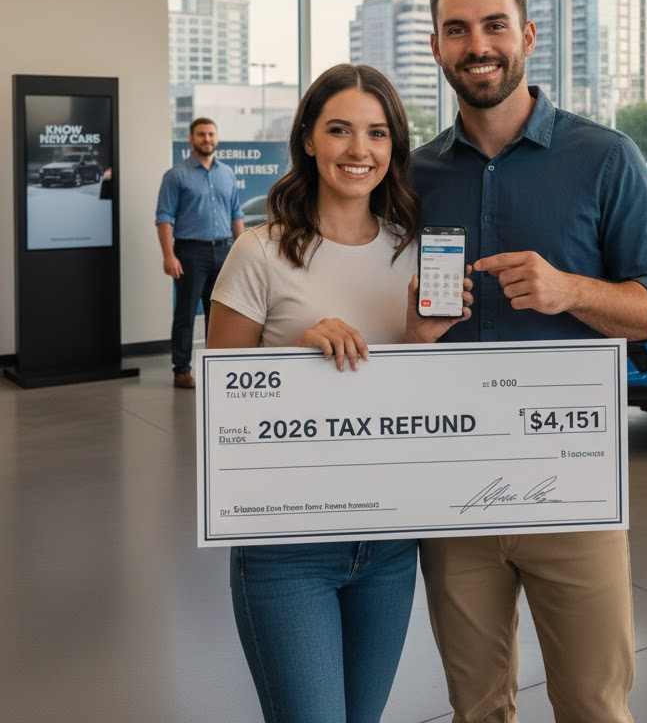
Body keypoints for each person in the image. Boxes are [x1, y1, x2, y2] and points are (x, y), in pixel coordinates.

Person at [412, 0, 647, 723]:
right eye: (457, 29)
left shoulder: (604, 158)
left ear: (527, 35)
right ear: (437, 47)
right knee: (476, 710)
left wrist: (569, 290)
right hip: (453, 494)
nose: (478, 45)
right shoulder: (413, 175)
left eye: (494, 25)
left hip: (572, 487)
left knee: (594, 706)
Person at [206, 64, 471, 723]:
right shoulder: (260, 252)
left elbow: (421, 410)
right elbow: (220, 407)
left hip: (388, 545)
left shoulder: (414, 254)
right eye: (340, 130)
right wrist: (299, 358)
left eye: (377, 133)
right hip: (287, 546)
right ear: (307, 139)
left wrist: (418, 340)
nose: (360, 150)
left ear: (395, 147)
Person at [155, 117, 243, 389]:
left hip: (224, 251)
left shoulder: (227, 173)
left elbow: (236, 215)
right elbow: (164, 217)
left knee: (218, 314)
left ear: (217, 138)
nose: (207, 139)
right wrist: (169, 255)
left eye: (211, 134)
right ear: (191, 139)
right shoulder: (176, 175)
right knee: (185, 313)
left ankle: (216, 368)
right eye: (201, 134)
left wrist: (242, 253)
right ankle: (181, 370)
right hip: (190, 253)